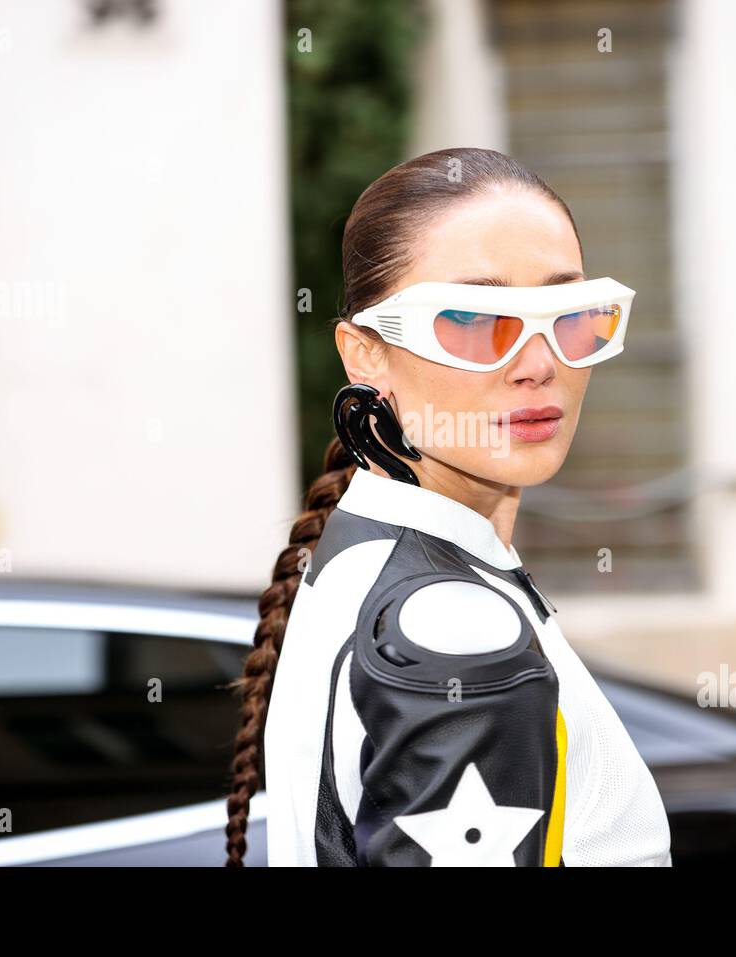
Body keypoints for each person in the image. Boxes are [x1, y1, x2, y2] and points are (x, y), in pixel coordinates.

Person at [225, 147, 672, 867]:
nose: (538, 363)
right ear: (364, 353)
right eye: (471, 320)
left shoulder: (360, 548)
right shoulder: (452, 633)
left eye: (571, 313)